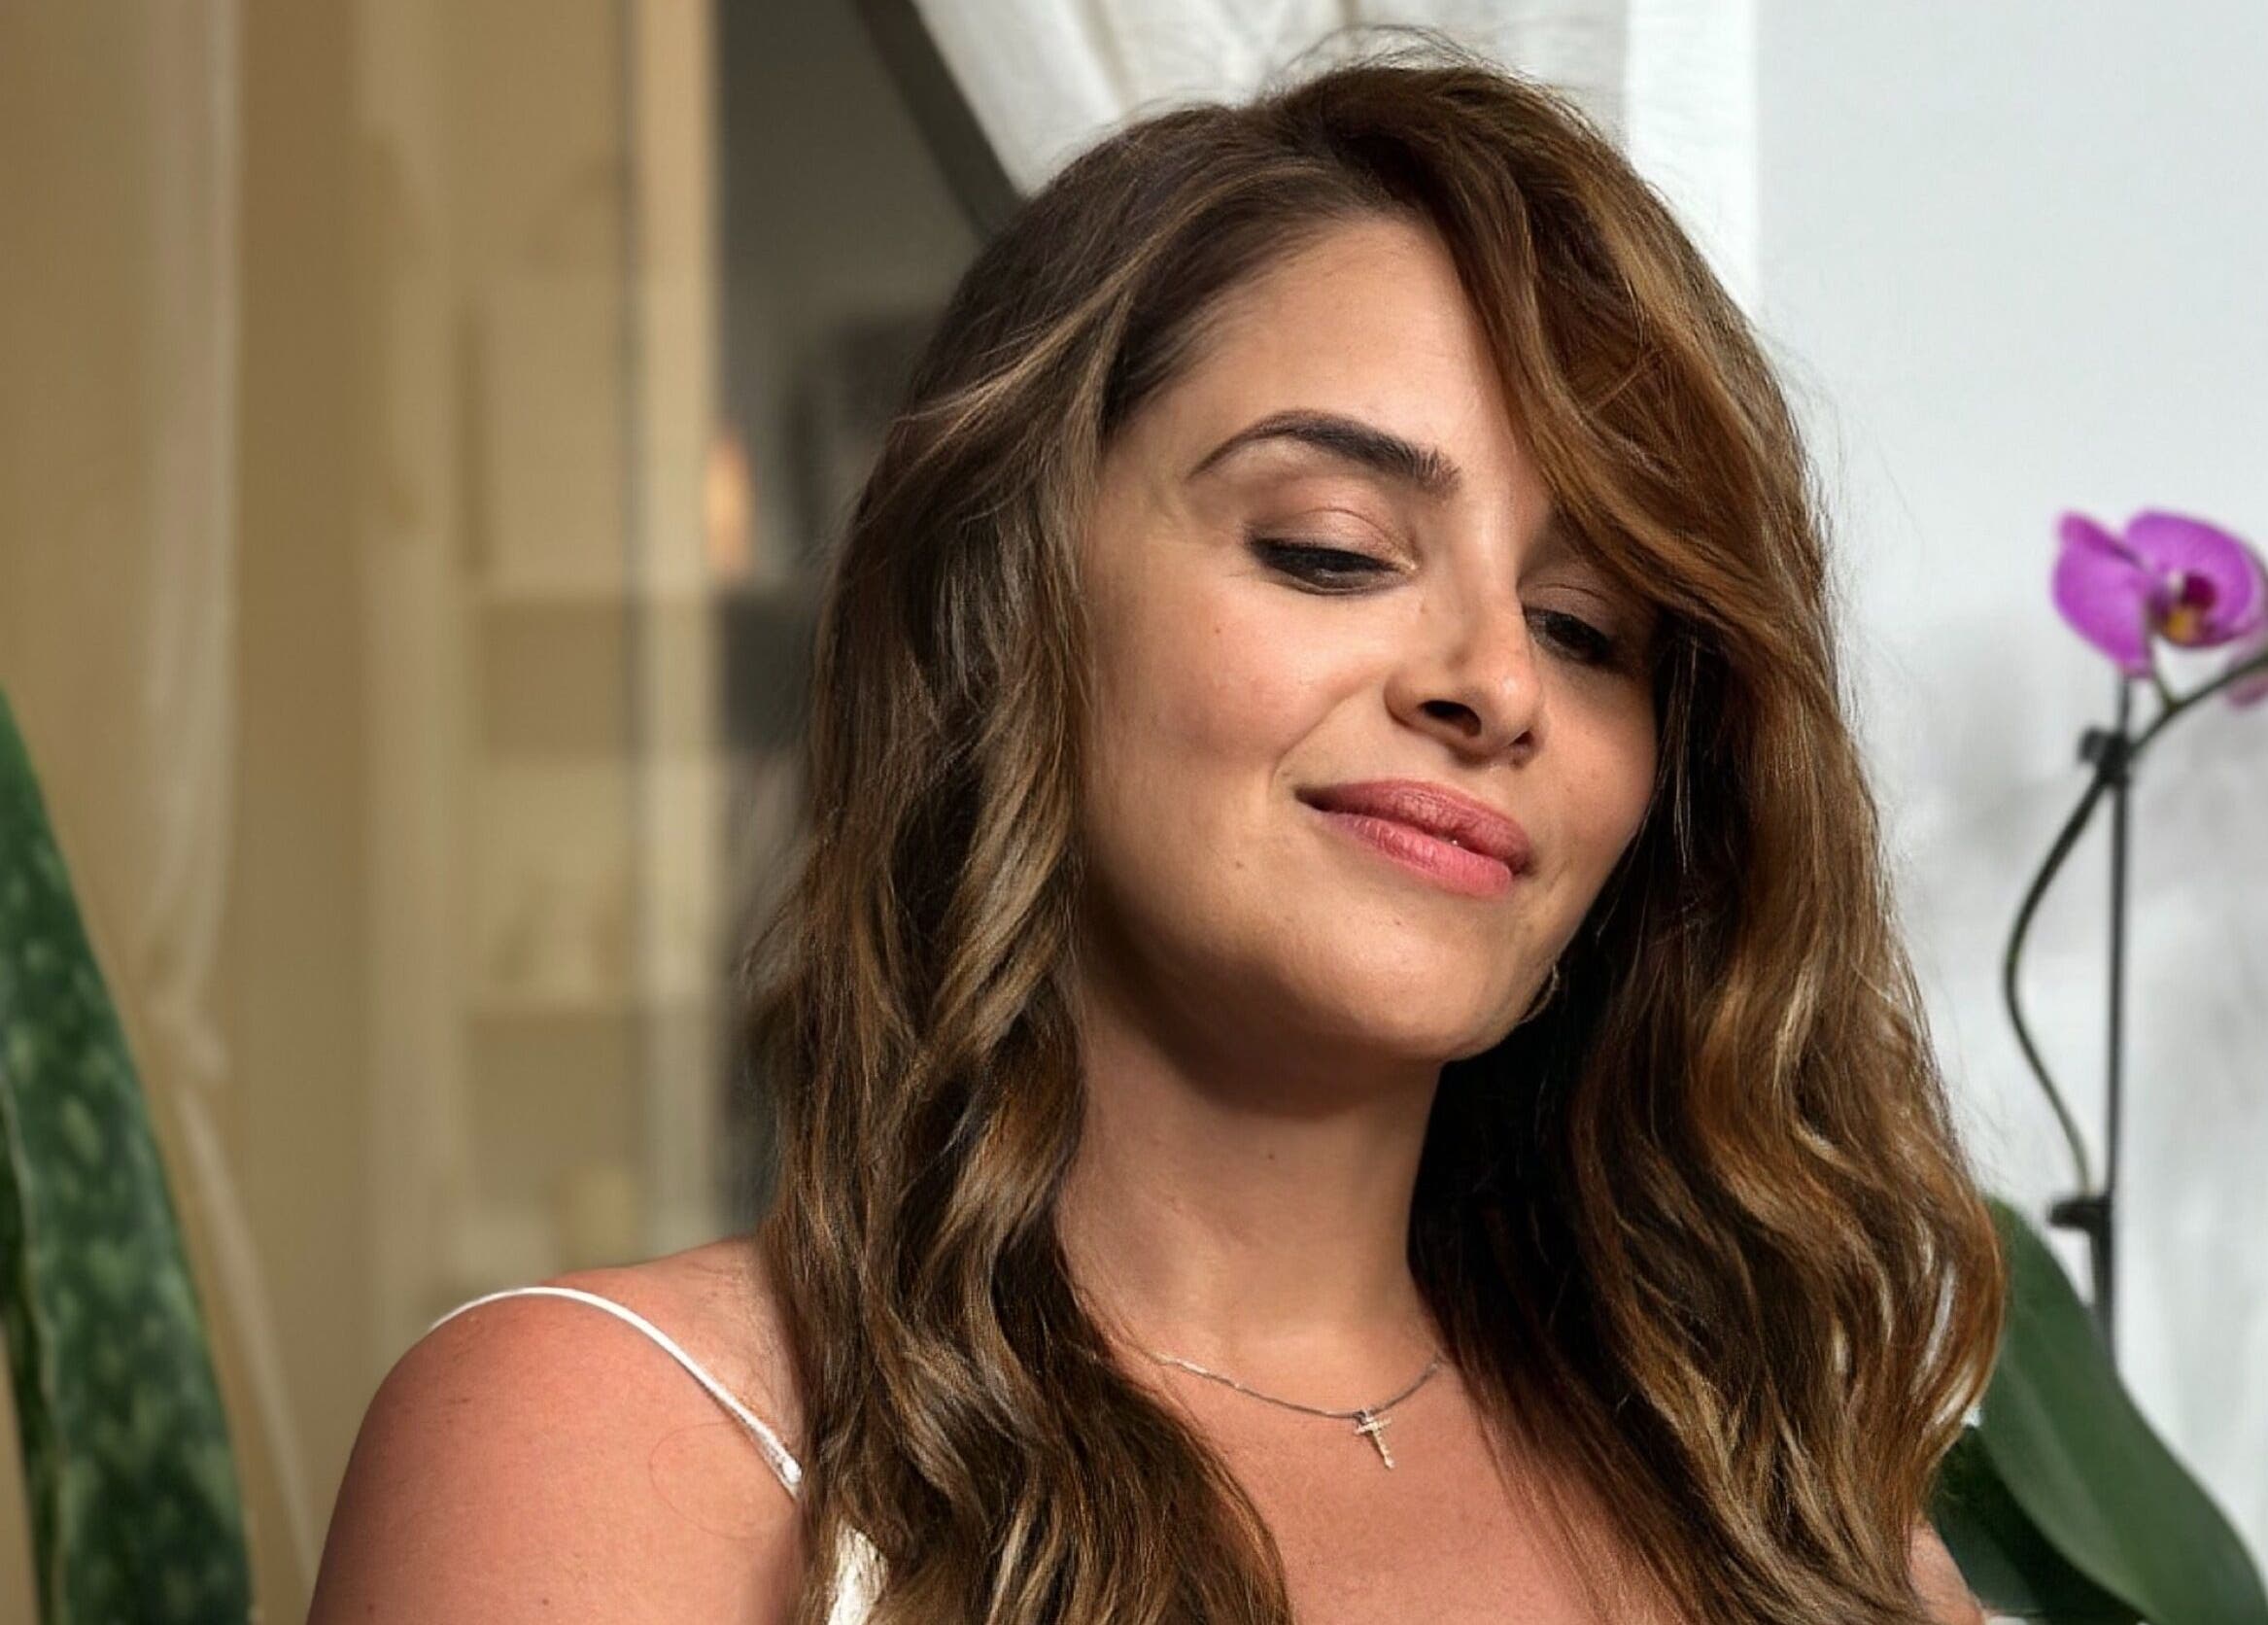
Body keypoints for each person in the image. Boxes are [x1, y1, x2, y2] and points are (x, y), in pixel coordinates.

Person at [309, 34, 2004, 1625]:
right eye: (1332, 548)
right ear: (1014, 596)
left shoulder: (1781, 1496)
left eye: (1590, 632)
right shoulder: (624, 1439)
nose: (1496, 683)